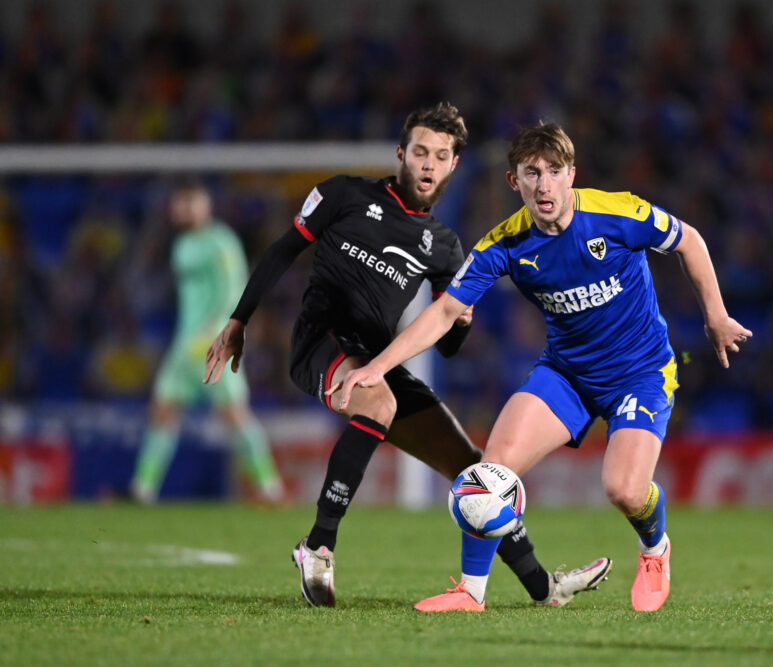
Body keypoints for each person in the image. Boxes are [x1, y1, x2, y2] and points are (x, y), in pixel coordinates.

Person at [204, 103, 610, 608]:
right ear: (401, 153)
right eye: (420, 152)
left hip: (379, 361)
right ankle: (319, 546)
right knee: (379, 403)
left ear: (453, 165)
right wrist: (239, 321)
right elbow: (283, 250)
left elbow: (449, 346)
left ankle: (542, 588)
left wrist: (461, 323)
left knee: (475, 473)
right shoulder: (344, 194)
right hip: (321, 341)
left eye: (440, 156)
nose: (428, 164)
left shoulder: (444, 246)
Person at [337, 121, 752, 612]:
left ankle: (654, 547)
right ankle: (471, 591)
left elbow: (689, 240)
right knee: (490, 470)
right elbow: (446, 311)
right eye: (531, 173)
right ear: (513, 181)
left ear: (571, 174)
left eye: (554, 171)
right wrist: (379, 366)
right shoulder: (505, 243)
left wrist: (716, 316)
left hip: (639, 373)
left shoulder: (615, 213)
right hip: (566, 375)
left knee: (623, 489)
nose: (544, 185)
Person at [131, 178, 283, 504]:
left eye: (192, 203)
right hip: (185, 344)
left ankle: (270, 488)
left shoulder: (221, 242)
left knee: (234, 414)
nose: (185, 210)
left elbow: (235, 287)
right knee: (162, 411)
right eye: (180, 204)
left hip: (214, 341)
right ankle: (142, 490)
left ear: (206, 205)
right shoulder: (181, 246)